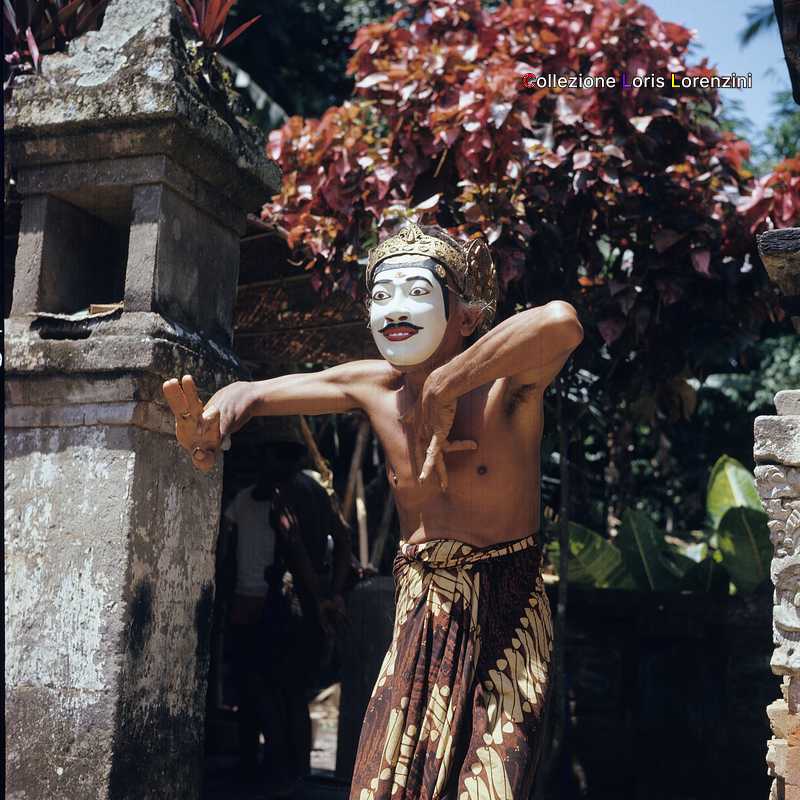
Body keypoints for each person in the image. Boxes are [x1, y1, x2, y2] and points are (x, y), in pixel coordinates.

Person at [163, 222, 583, 799]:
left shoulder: (508, 386)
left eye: (417, 291)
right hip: (420, 612)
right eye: (381, 296)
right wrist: (216, 417)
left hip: (506, 617)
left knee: (489, 786)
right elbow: (254, 394)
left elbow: (561, 321)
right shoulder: (377, 388)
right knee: (384, 786)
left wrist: (445, 386)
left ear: (466, 319)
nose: (396, 309)